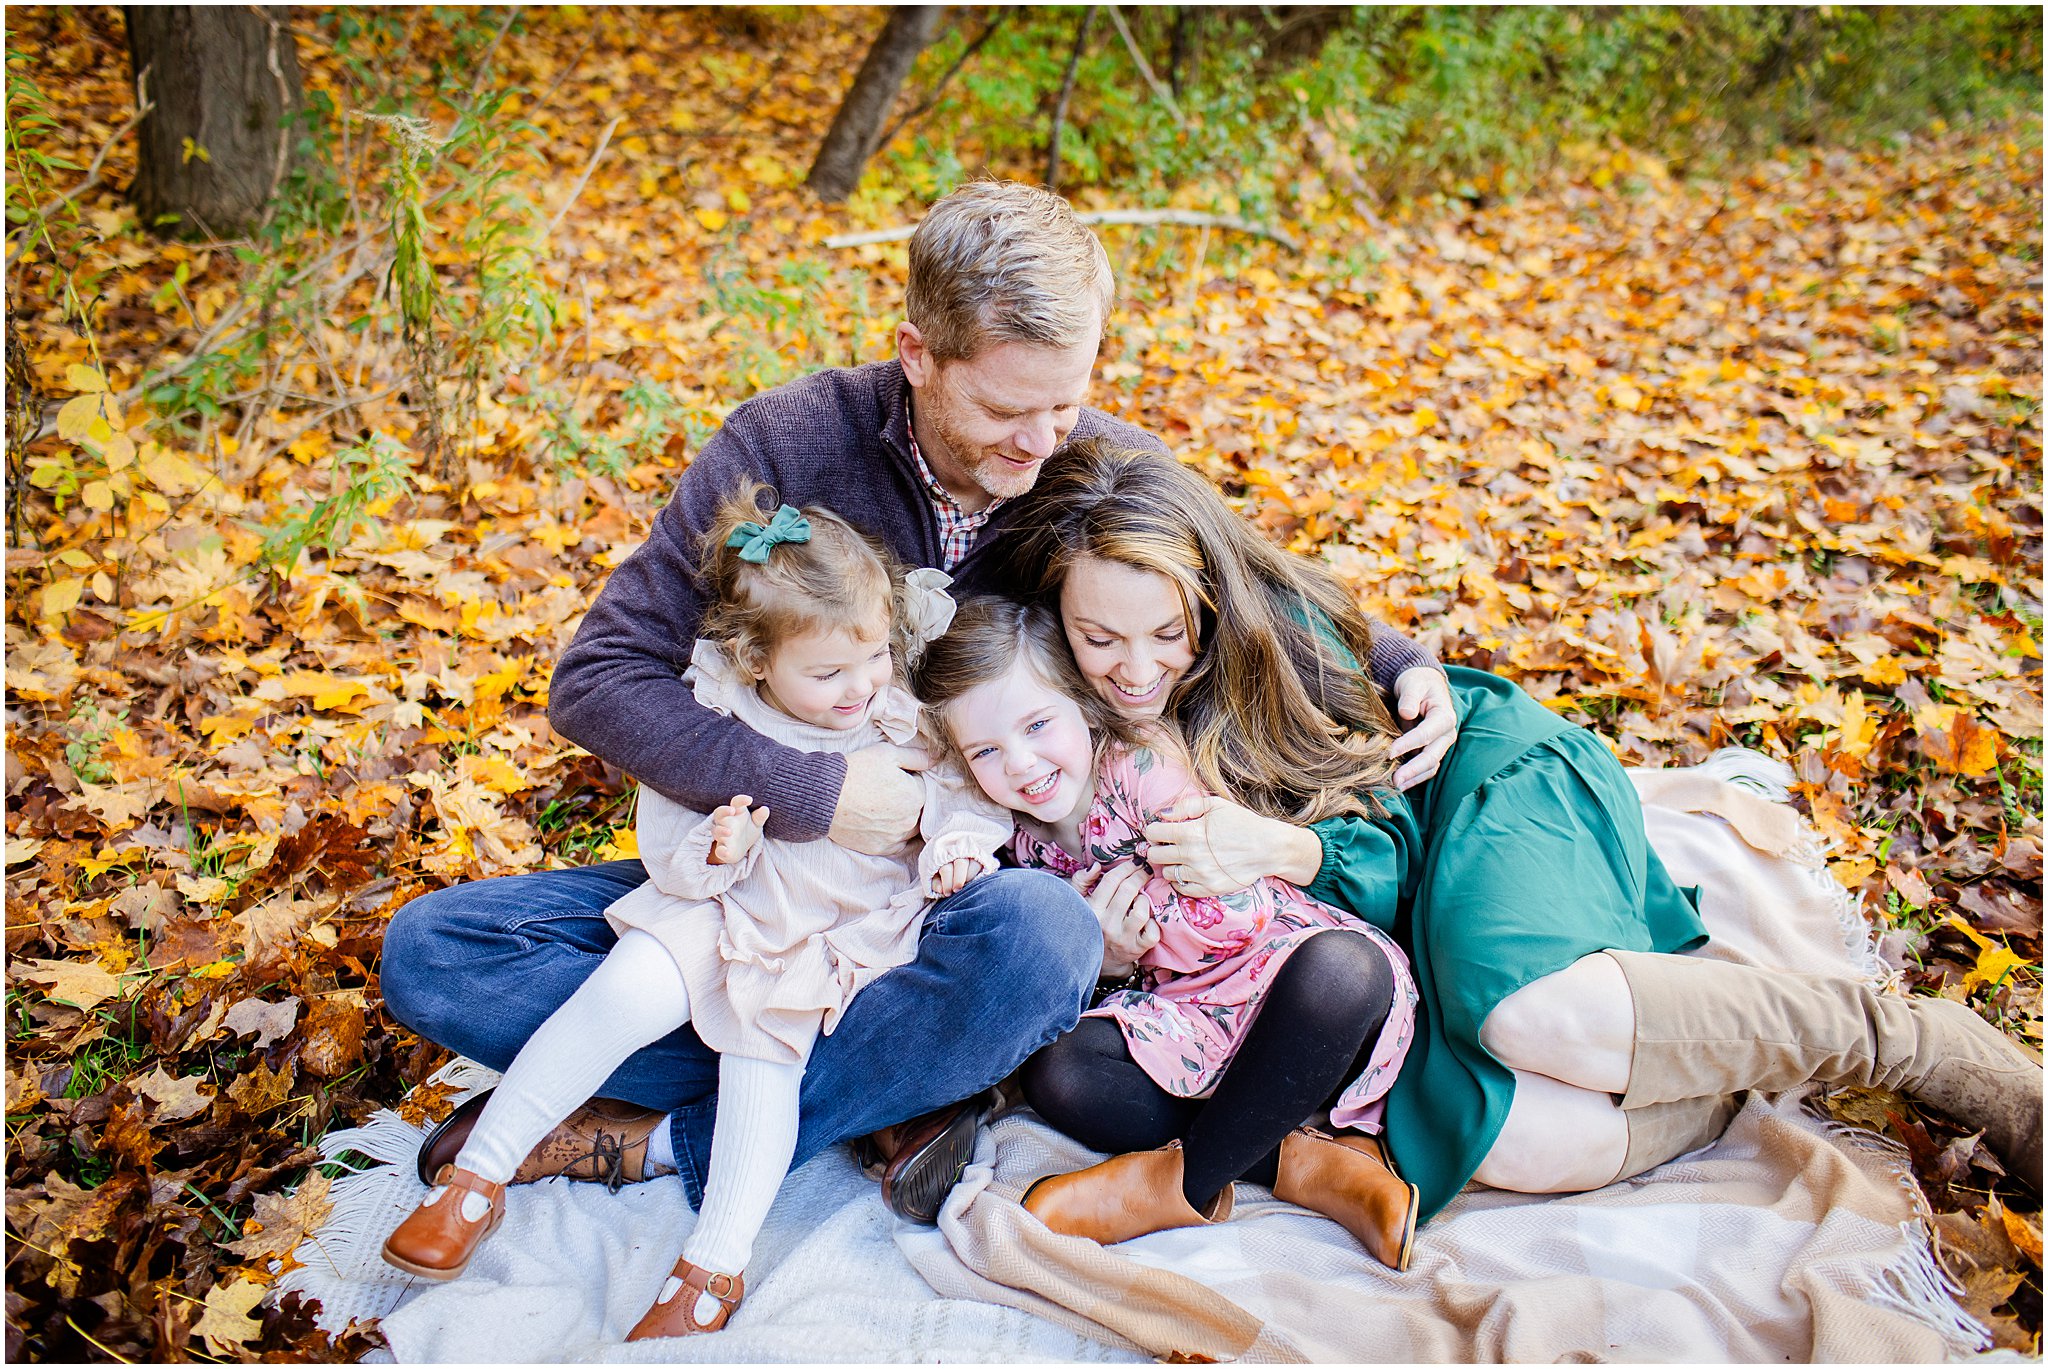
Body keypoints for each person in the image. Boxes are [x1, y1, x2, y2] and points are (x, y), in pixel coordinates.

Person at [378, 179, 1465, 1231]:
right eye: (1003, 408)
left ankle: (688, 1135)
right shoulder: (785, 443)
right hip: (775, 888)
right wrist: (816, 789)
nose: (1040, 442)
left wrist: (1401, 661)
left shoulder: (1089, 462)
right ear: (917, 356)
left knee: (1043, 941)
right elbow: (600, 678)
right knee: (436, 953)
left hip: (964, 906)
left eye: (1064, 400)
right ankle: (908, 1082)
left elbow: (1244, 579)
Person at [994, 437, 2041, 1234]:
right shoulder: (1054, 719)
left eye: (1165, 635)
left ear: (1209, 605)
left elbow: (1386, 842)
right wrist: (1105, 939)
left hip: (1473, 792)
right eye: (1098, 638)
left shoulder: (1272, 657)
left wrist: (1281, 848)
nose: (1134, 666)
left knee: (1527, 1020)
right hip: (1369, 936)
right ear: (1055, 623)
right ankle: (1726, 1073)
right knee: (1518, 1142)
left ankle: (1912, 1042)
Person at [380, 490, 1009, 1338]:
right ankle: (478, 1178)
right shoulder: (721, 710)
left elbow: (961, 794)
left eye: (869, 656)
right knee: (624, 986)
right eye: (827, 674)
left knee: (762, 1068)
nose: (859, 685)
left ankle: (711, 1266)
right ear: (756, 662)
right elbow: (667, 835)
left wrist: (955, 847)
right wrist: (713, 848)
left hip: (823, 934)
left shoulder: (897, 711)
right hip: (718, 905)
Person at [917, 597, 1426, 1269]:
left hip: (1278, 985)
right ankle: (1294, 1160)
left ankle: (1181, 1184)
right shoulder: (1018, 841)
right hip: (1185, 1016)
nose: (1020, 763)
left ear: (1082, 704)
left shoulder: (1138, 767)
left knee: (1345, 970)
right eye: (986, 749)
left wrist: (1136, 939)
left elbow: (1236, 915)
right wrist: (1104, 954)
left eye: (1038, 724)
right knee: (1061, 1069)